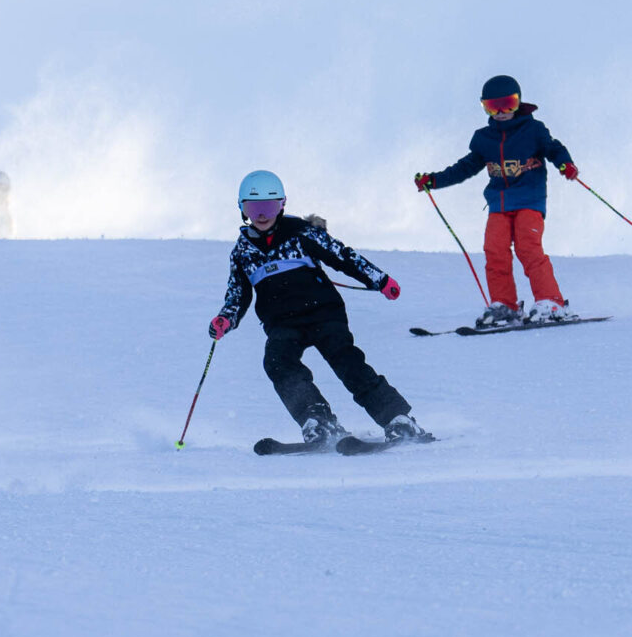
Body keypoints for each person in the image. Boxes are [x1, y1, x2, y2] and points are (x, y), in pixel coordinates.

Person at [211, 169, 427, 448]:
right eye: (254, 208)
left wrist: (379, 280)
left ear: (282, 205)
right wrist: (225, 319)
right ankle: (318, 420)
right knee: (278, 363)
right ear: (242, 209)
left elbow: (343, 257)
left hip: (323, 314)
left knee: (346, 362)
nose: (262, 214)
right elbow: (238, 294)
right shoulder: (243, 252)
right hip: (282, 324)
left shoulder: (301, 233)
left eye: (269, 206)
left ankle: (398, 419)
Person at [415, 74, 579, 326]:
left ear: (519, 102)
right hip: (499, 204)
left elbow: (553, 148)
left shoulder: (533, 130)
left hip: (529, 199)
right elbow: (465, 167)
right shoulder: (484, 138)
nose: (501, 112)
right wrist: (434, 180)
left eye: (508, 104)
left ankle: (551, 302)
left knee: (528, 248)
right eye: (493, 106)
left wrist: (565, 164)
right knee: (495, 251)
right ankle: (505, 306)